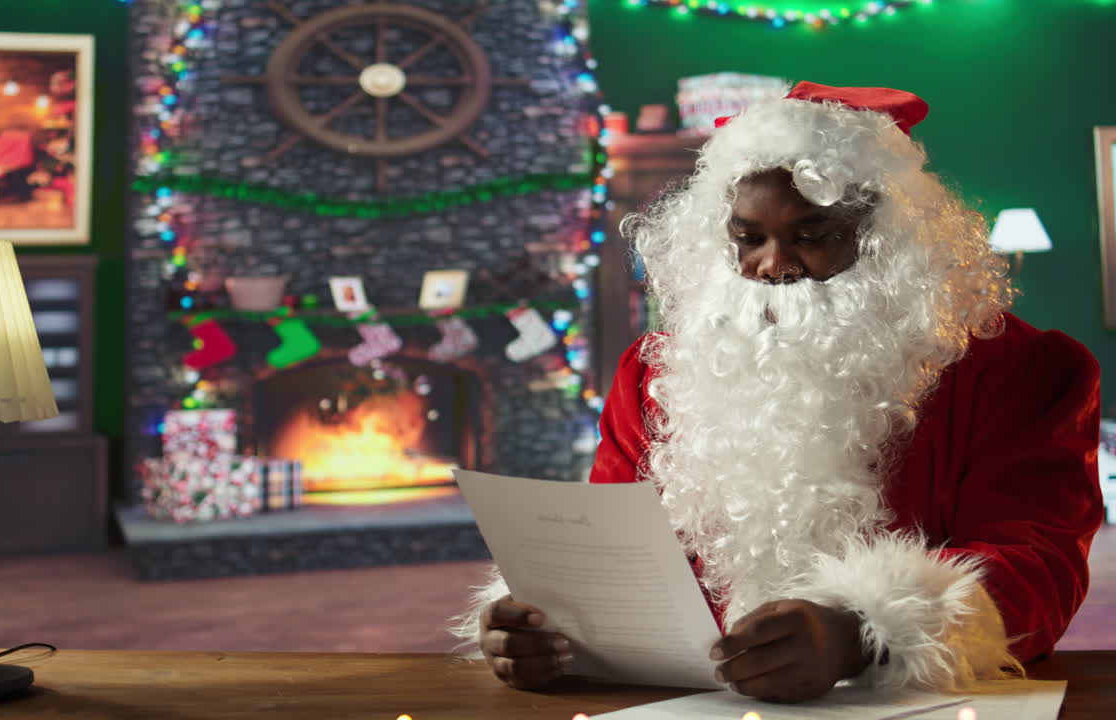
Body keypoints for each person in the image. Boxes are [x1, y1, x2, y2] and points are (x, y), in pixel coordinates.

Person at [452, 82, 1103, 702]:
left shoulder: (1019, 369)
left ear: (887, 240)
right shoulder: (653, 374)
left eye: (812, 236)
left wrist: (863, 635)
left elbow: (1039, 561)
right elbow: (617, 546)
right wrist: (547, 624)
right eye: (748, 238)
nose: (773, 265)